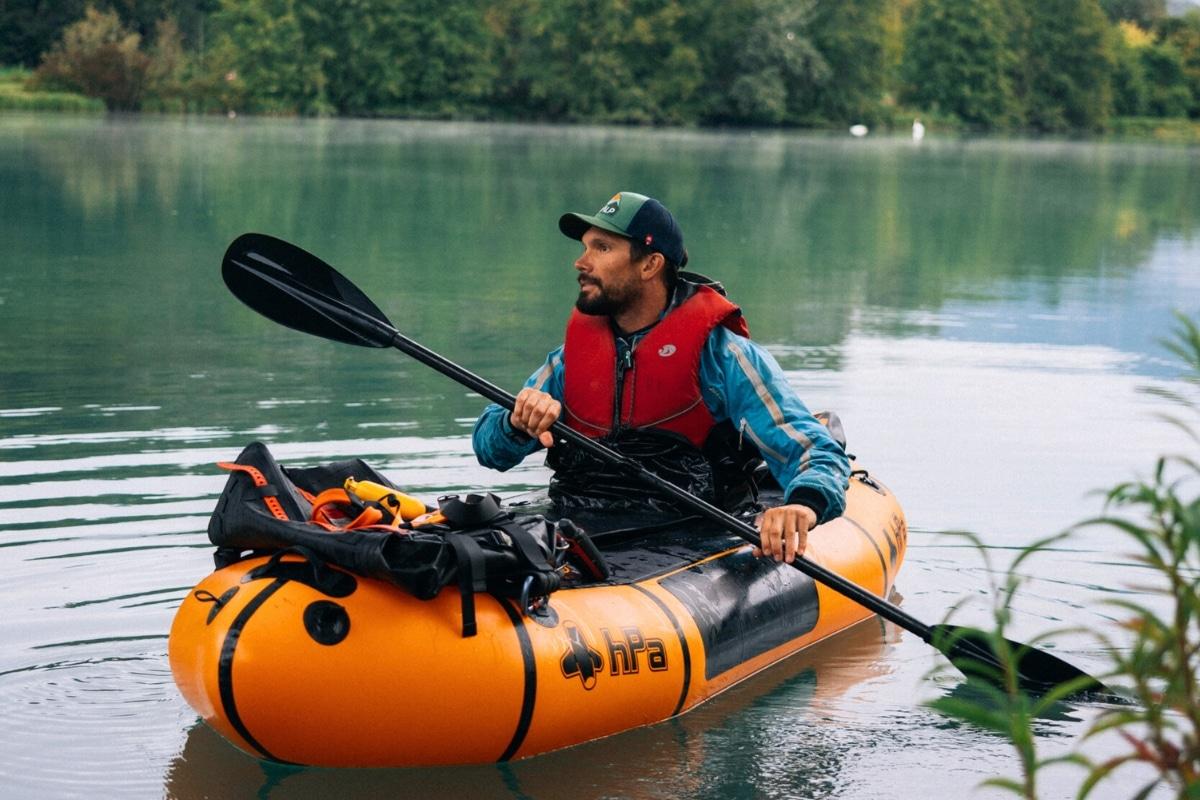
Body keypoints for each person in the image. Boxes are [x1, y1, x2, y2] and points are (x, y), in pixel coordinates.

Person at [472, 191, 849, 563]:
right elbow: (489, 449)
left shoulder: (724, 357)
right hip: (579, 520)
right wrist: (515, 423)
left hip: (691, 533)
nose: (581, 262)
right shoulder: (569, 360)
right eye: (585, 247)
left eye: (602, 248)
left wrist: (803, 506)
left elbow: (815, 452)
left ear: (650, 265)